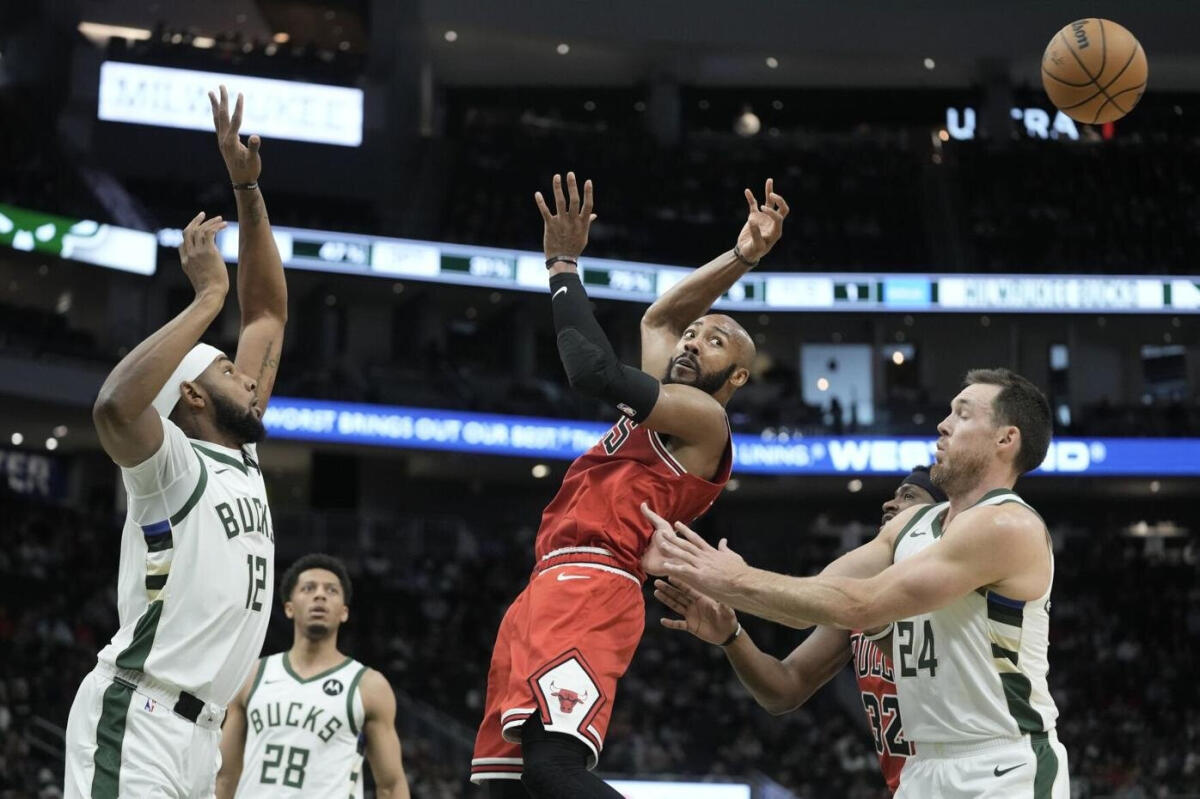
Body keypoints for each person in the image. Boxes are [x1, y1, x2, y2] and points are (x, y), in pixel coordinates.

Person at [470, 173, 788, 798]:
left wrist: (563, 266)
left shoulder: (704, 419)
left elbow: (592, 371)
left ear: (738, 376)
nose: (693, 342)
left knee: (553, 769)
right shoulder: (666, 399)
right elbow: (662, 316)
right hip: (547, 581)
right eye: (695, 335)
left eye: (715, 341)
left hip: (595, 580)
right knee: (507, 786)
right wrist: (743, 255)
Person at [646, 369, 1069, 798]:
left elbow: (861, 604)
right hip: (922, 767)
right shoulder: (909, 526)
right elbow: (811, 604)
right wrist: (706, 576)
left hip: (1002, 764)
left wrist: (733, 578)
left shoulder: (1007, 524)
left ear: (1005, 439)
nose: (943, 425)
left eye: (962, 415)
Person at [64, 86, 288, 798]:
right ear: (191, 395)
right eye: (228, 371)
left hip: (200, 736)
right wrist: (206, 300)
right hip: (139, 716)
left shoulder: (241, 449)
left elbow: (268, 313)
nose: (249, 378)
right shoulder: (169, 465)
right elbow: (112, 406)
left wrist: (247, 188)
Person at [651, 466, 947, 794]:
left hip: (969, 778)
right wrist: (731, 636)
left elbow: (800, 614)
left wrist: (733, 580)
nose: (889, 504)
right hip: (912, 786)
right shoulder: (863, 596)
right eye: (894, 496)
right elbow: (785, 688)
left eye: (909, 496)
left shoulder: (955, 590)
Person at [215, 554, 410, 798]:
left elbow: (391, 786)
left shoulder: (368, 685)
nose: (320, 595)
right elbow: (225, 776)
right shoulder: (252, 675)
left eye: (331, 590)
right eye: (308, 588)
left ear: (344, 612)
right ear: (289, 608)